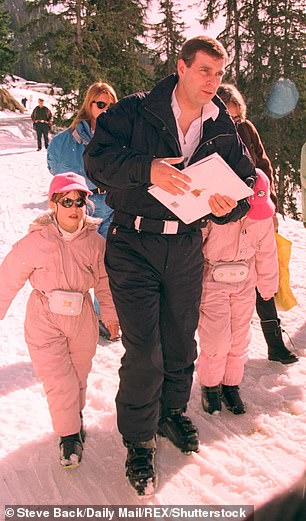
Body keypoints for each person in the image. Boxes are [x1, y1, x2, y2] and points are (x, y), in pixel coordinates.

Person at [84, 36, 256, 496]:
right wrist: (149, 169)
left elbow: (243, 183)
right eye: (205, 72)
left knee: (181, 339)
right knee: (145, 349)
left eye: (219, 75)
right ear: (181, 67)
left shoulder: (221, 124)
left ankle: (171, 413)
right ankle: (139, 440)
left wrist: (225, 206)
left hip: (184, 246)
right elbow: (96, 162)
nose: (213, 83)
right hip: (133, 242)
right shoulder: (133, 112)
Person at [0, 173, 119, 468]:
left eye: (80, 201)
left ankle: (73, 420)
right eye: (67, 201)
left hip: (82, 320)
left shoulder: (95, 243)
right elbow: (8, 279)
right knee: (60, 381)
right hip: (45, 319)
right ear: (54, 203)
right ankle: (68, 438)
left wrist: (110, 314)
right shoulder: (35, 242)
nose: (74, 207)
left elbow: (105, 282)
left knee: (78, 377)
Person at [217, 83, 298, 364]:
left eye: (236, 115)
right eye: (228, 116)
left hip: (257, 215)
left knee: (265, 279)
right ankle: (223, 355)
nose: (234, 121)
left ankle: (274, 344)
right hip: (226, 221)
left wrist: (270, 205)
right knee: (226, 286)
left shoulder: (247, 129)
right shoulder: (212, 133)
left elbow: (264, 166)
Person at [198, 169, 278, 415]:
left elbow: (267, 254)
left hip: (244, 279)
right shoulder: (216, 215)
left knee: (239, 336)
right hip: (214, 281)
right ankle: (210, 386)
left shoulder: (262, 220)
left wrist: (267, 287)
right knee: (216, 338)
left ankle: (231, 384)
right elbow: (194, 247)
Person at [47, 81, 118, 340]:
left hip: (111, 206)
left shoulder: (120, 137)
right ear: (88, 105)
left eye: (111, 105)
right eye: (100, 104)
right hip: (81, 207)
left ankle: (101, 316)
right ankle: (70, 315)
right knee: (76, 263)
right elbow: (55, 170)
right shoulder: (65, 141)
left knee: (107, 264)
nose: (106, 109)